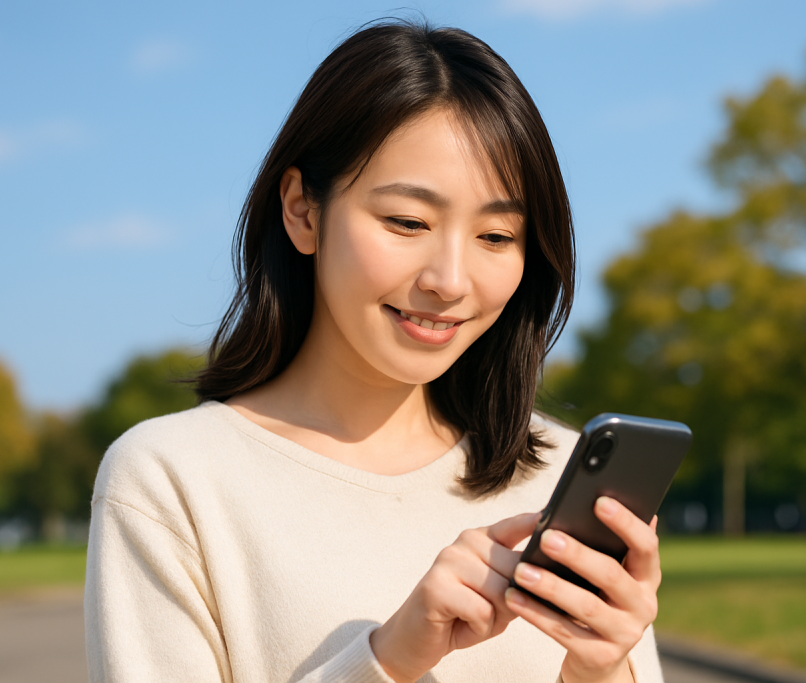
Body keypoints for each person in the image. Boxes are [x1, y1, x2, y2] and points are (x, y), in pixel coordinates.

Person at [85, 20, 665, 683]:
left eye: (497, 235)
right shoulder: (170, 480)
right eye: (407, 222)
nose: (449, 279)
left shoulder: (559, 476)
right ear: (303, 210)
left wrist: (601, 669)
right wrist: (387, 659)